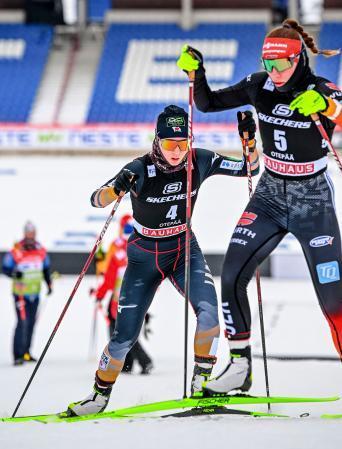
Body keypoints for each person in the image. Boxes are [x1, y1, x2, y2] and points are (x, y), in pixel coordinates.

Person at [177, 18, 342, 396]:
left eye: (282, 64)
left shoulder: (321, 89)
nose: (275, 72)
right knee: (231, 275)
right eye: (269, 64)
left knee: (333, 302)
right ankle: (240, 367)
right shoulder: (258, 85)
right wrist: (196, 73)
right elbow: (208, 103)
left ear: (299, 59)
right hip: (269, 194)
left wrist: (329, 108)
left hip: (312, 198)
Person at [66, 104, 259, 416]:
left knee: (210, 315)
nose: (177, 151)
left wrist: (250, 143)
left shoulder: (201, 160)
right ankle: (98, 397)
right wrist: (116, 188)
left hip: (185, 249)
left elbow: (251, 169)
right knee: (124, 337)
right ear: (157, 141)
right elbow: (96, 199)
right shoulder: (140, 168)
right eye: (170, 144)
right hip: (145, 256)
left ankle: (201, 386)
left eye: (183, 143)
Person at [91, 213, 153, 374]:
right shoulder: (143, 246)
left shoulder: (118, 250)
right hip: (136, 298)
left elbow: (109, 277)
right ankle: (128, 363)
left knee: (120, 333)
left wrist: (100, 294)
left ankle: (143, 361)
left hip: (119, 300)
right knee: (126, 330)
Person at [2, 221, 52, 366]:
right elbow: (5, 268)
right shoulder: (17, 250)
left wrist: (49, 284)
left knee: (31, 323)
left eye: (33, 233)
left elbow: (46, 269)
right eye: (28, 233)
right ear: (24, 233)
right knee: (22, 322)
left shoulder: (40, 250)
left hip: (35, 294)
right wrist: (14, 273)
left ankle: (26, 352)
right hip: (21, 294)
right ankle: (18, 355)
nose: (31, 235)